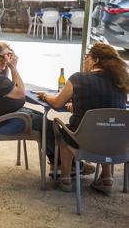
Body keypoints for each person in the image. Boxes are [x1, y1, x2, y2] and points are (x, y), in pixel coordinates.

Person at [37, 43, 129, 193]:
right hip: (116, 142)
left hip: (84, 141)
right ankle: (107, 178)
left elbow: (58, 102)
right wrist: (79, 104)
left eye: (87, 57)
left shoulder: (78, 78)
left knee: (63, 133)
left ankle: (65, 179)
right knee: (107, 126)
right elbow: (109, 106)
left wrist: (46, 95)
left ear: (96, 60)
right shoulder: (121, 82)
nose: (84, 61)